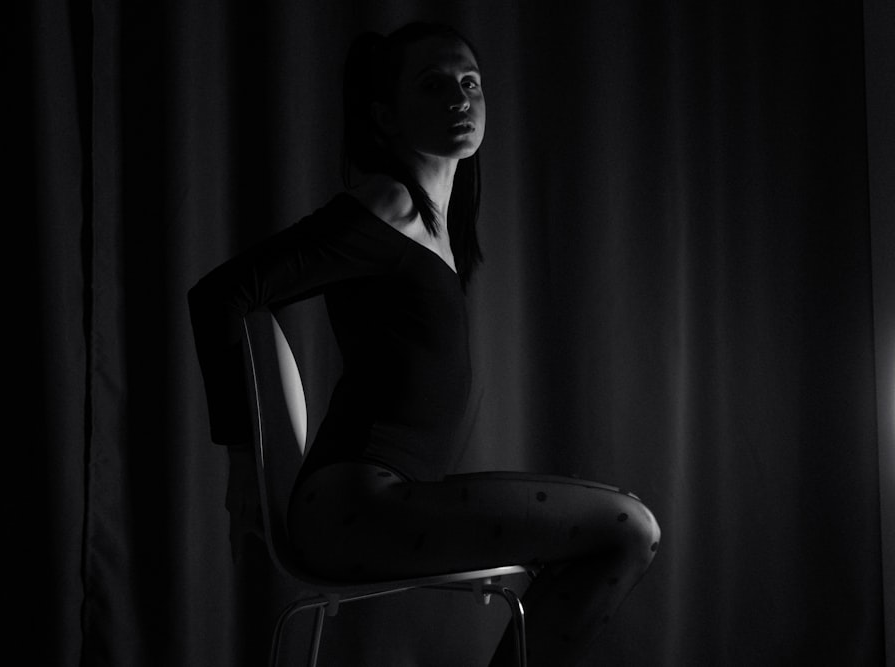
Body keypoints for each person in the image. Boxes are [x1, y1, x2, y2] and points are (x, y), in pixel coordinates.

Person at [188, 21, 660, 666]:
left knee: (622, 524)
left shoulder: (431, 221)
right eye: (433, 85)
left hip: (384, 505)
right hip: (357, 510)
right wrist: (243, 459)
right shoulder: (385, 205)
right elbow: (221, 293)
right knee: (629, 527)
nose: (459, 99)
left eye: (471, 83)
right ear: (385, 116)